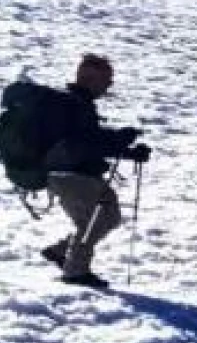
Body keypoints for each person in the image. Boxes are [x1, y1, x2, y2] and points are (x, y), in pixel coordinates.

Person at [37, 54, 151, 289]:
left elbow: (89, 144)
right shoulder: (73, 104)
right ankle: (75, 271)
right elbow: (85, 144)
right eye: (106, 81)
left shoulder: (78, 104)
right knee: (96, 219)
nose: (109, 86)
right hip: (71, 174)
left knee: (106, 217)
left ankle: (62, 253)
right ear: (90, 79)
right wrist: (119, 140)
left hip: (68, 173)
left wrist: (127, 151)